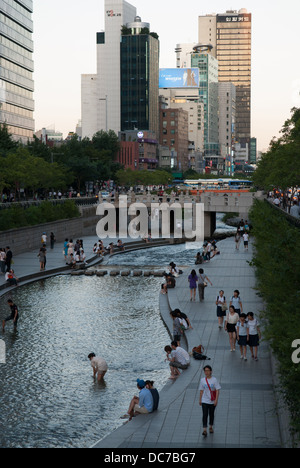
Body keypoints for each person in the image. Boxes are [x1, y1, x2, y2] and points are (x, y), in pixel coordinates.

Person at [199, 365, 221, 437]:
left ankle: (211, 426)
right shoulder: (202, 380)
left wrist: (216, 400)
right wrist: (200, 400)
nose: (206, 372)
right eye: (205, 371)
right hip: (204, 400)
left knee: (211, 414)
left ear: (211, 371)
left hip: (212, 401)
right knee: (205, 414)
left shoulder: (214, 380)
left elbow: (217, 390)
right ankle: (204, 429)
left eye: (208, 371)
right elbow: (201, 390)